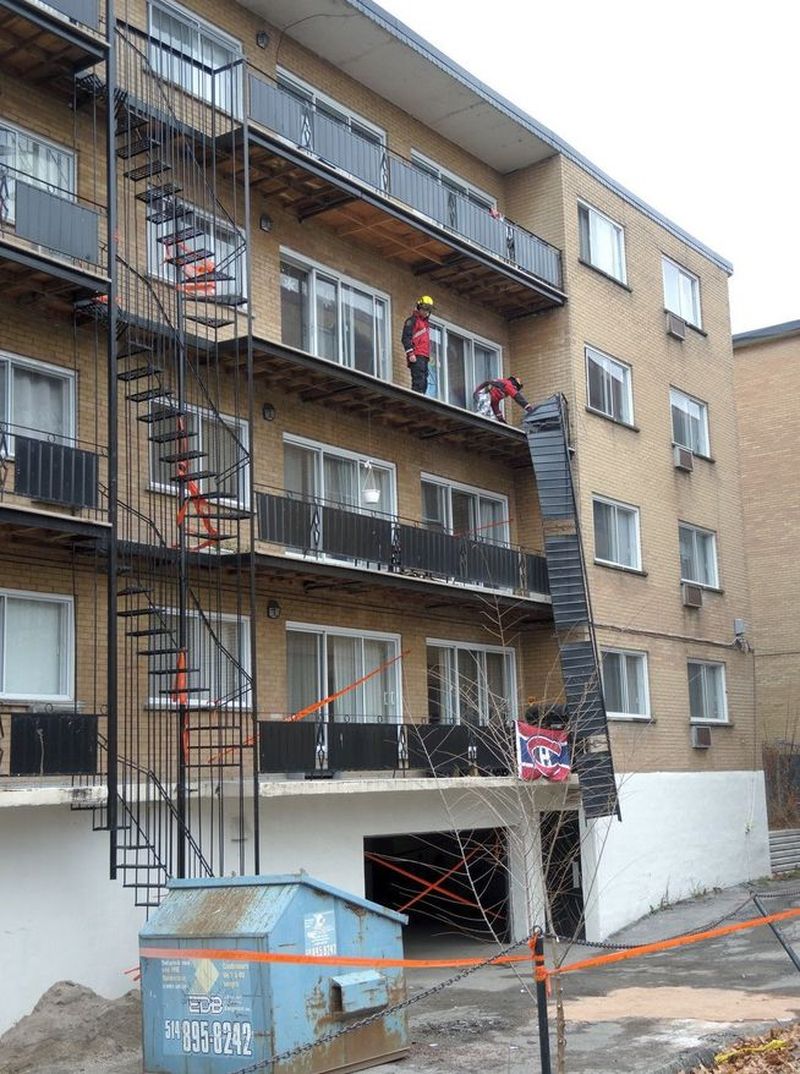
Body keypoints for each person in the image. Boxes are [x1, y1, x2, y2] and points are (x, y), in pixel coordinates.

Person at [401, 295, 435, 394]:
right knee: (418, 380)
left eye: (428, 310)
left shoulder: (425, 324)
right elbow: (405, 337)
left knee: (424, 381)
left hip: (424, 356)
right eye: (424, 309)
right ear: (419, 308)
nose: (426, 312)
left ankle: (421, 397)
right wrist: (410, 353)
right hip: (417, 355)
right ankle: (416, 398)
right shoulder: (412, 321)